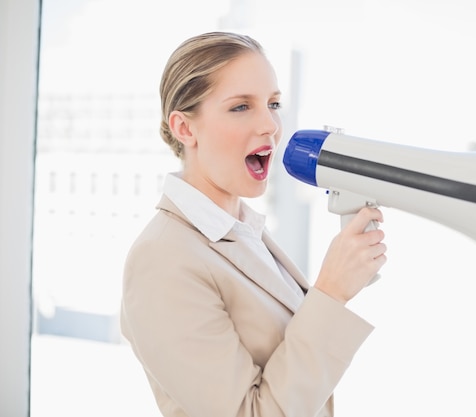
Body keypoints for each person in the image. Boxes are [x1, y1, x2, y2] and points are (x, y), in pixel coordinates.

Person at [120, 31, 387, 417]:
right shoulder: (161, 260)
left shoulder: (241, 231)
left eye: (273, 103)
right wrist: (330, 292)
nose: (271, 125)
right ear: (184, 128)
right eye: (241, 107)